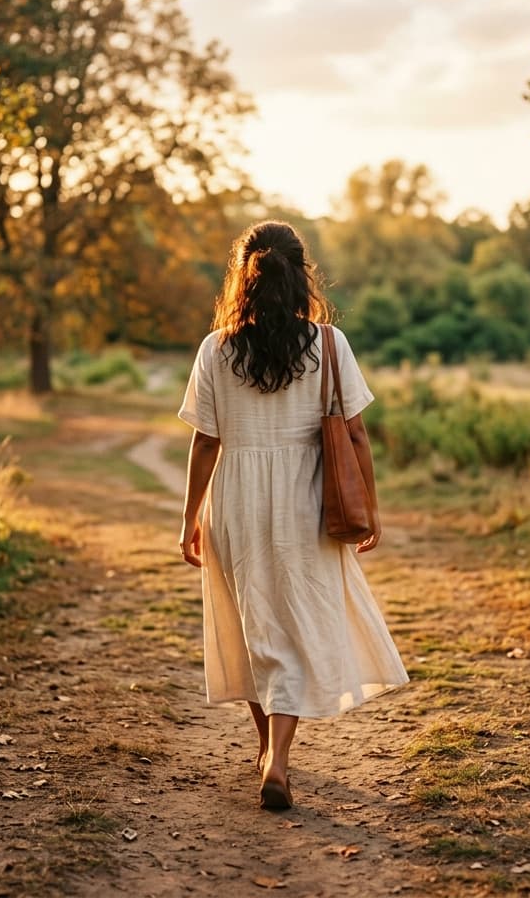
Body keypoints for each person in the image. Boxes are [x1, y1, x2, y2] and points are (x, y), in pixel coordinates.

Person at [178, 220, 408, 811]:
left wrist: (190, 519)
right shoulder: (329, 343)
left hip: (236, 500)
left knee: (255, 626)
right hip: (307, 501)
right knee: (296, 624)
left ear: (243, 278)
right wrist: (371, 509)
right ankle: (278, 756)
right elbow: (355, 434)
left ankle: (265, 752)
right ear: (301, 273)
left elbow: (206, 442)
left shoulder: (217, 348)